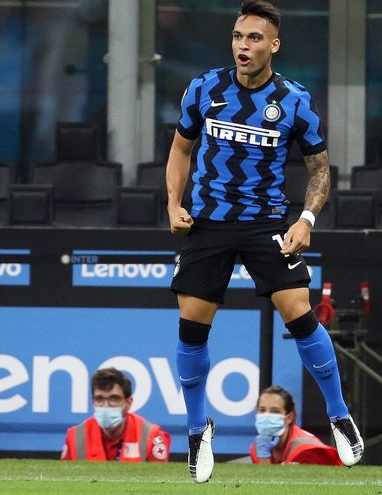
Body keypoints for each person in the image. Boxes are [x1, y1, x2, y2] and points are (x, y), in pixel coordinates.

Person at [165, 0, 363, 483]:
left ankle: (339, 415)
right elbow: (180, 149)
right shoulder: (204, 88)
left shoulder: (293, 99)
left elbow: (320, 170)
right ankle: (198, 429)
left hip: (266, 222)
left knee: (299, 311)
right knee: (192, 326)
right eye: (238, 36)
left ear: (273, 45)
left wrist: (307, 219)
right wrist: (172, 203)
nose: (243, 46)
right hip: (209, 221)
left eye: (254, 38)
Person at [61, 368, 170, 463]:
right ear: (93, 402)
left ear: (128, 402)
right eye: (99, 399)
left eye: (114, 398)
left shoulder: (151, 436)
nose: (106, 405)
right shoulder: (75, 437)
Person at [250, 385, 341, 465]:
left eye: (275, 411)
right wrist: (263, 456)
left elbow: (272, 479)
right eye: (262, 410)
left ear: (289, 417)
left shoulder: (307, 450)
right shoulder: (259, 448)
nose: (267, 415)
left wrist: (264, 458)